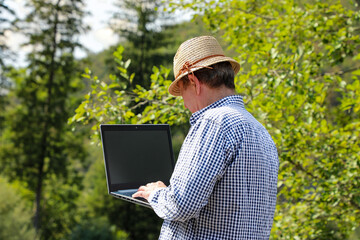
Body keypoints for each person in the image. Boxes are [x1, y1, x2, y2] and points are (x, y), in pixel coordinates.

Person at [133, 36, 279, 239]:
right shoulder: (261, 131)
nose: (184, 104)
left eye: (182, 93)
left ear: (193, 82)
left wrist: (155, 193)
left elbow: (180, 205)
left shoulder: (213, 122)